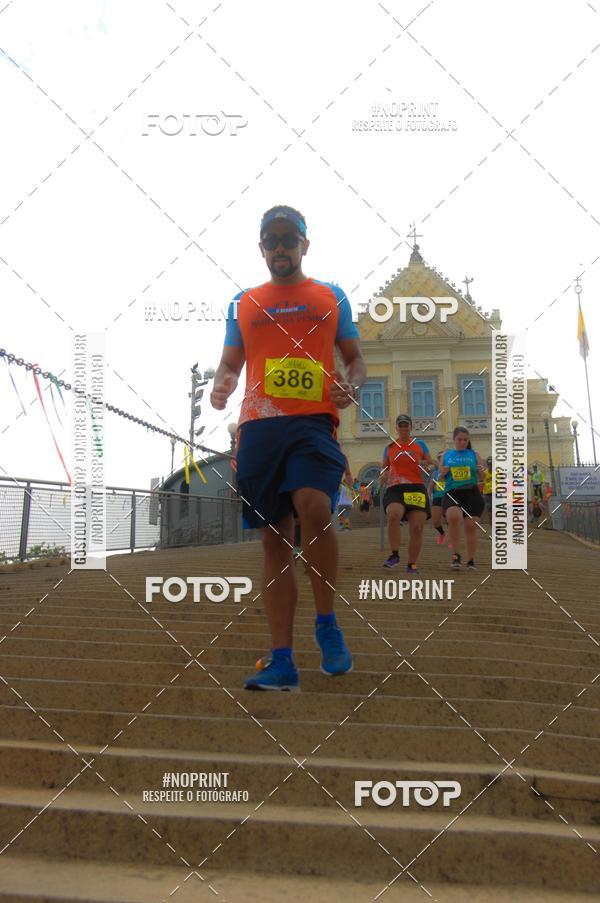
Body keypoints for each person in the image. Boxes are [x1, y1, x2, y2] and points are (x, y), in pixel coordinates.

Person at [210, 205, 366, 691]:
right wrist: (222, 384)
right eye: (271, 240)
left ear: (304, 244)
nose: (280, 248)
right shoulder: (244, 303)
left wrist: (352, 385)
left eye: (289, 239)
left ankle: (326, 623)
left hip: (312, 423)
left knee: (314, 506)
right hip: (259, 428)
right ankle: (282, 660)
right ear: (261, 248)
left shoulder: (330, 296)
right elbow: (230, 364)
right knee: (274, 538)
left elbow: (355, 359)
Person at [379, 414, 435, 574]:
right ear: (396, 428)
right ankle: (394, 555)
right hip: (396, 487)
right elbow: (384, 467)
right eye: (400, 425)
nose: (403, 428)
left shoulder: (420, 445)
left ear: (411, 427)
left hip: (416, 487)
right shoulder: (389, 447)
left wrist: (428, 467)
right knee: (393, 514)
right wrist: (383, 475)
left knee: (417, 528)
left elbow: (431, 464)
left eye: (406, 425)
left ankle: (412, 564)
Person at [439, 427, 485, 570]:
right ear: (454, 440)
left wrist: (480, 471)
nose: (462, 442)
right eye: (459, 439)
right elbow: (440, 476)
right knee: (453, 517)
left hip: (472, 493)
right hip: (453, 492)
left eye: (465, 439)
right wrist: (443, 472)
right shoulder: (446, 455)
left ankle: (471, 560)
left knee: (470, 527)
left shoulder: (474, 454)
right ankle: (456, 555)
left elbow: (482, 477)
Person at [429, 452, 448, 545]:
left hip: (449, 497)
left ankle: (452, 538)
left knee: (449, 519)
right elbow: (431, 486)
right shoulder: (435, 473)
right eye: (440, 458)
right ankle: (442, 533)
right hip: (437, 498)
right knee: (436, 522)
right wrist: (429, 494)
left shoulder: (451, 471)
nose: (442, 460)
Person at [482, 456, 494, 525]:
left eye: (492, 464)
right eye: (489, 465)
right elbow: (481, 481)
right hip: (487, 494)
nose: (491, 466)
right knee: (490, 513)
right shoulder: (484, 473)